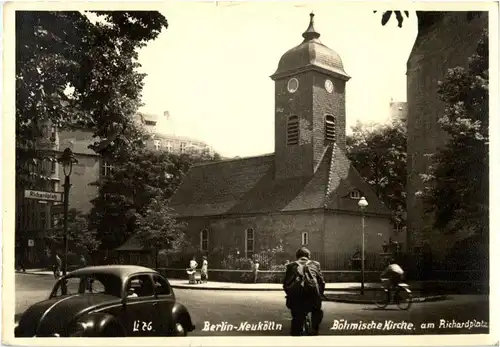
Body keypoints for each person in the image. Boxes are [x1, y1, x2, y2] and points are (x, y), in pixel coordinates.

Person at [283, 247, 325, 336]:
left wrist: (289, 294)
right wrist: (320, 294)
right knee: (317, 310)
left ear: (297, 257)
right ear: (308, 256)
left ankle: (295, 334)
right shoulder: (315, 264)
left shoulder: (291, 266)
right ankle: (315, 329)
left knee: (296, 317)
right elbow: (321, 282)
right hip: (313, 299)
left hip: (296, 300)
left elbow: (285, 284)